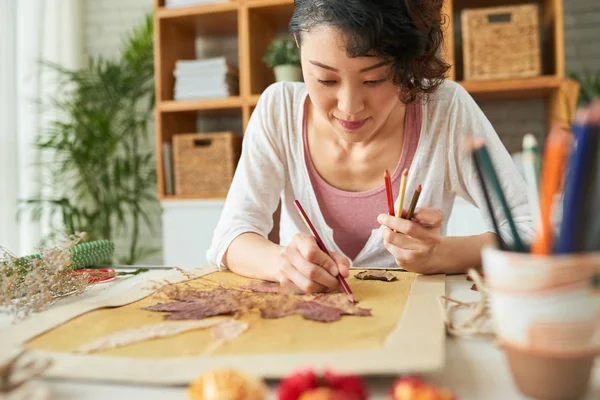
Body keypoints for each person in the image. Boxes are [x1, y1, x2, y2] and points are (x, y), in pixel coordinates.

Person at [206, 0, 534, 294]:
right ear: (297, 45)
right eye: (325, 79)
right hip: (305, 328)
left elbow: (531, 229)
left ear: (408, 62)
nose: (350, 108)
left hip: (414, 330)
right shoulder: (278, 110)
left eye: (374, 80)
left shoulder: (444, 110)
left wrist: (440, 254)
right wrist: (282, 263)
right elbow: (231, 237)